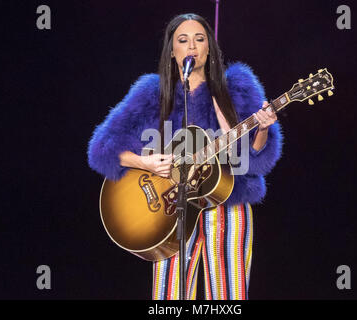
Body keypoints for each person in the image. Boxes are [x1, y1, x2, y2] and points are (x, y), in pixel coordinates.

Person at [87, 13, 283, 300]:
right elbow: (101, 148)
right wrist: (145, 162)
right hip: (170, 212)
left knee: (228, 299)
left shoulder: (236, 87)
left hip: (227, 204)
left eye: (199, 39)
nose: (192, 45)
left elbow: (258, 159)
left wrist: (263, 129)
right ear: (172, 51)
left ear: (209, 48)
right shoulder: (151, 93)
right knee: (169, 300)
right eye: (183, 40)